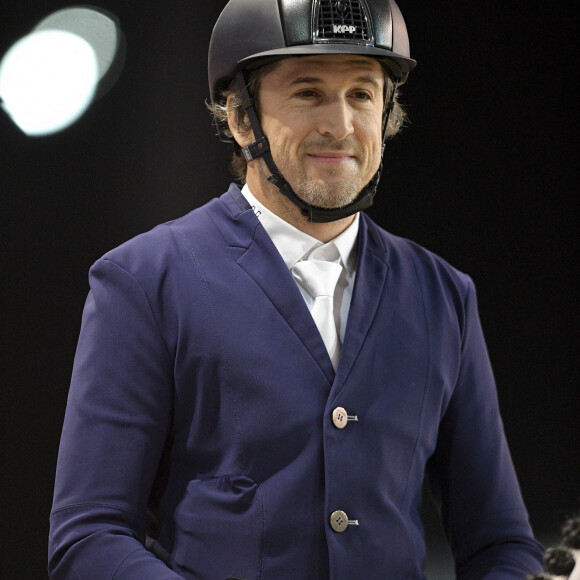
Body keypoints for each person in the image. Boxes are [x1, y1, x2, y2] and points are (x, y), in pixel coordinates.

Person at [48, 0, 545, 578]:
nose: (340, 123)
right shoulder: (142, 280)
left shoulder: (444, 295)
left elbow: (503, 545)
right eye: (308, 92)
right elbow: (89, 535)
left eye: (361, 94)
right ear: (239, 118)